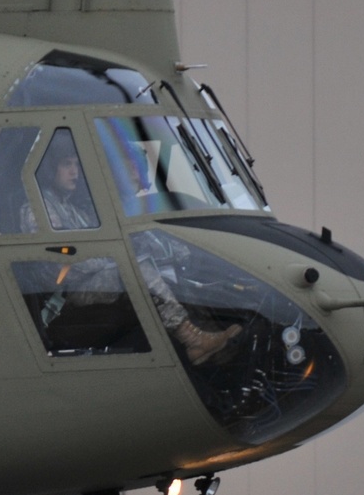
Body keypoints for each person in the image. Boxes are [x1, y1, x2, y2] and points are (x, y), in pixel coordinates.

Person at [21, 132, 240, 365]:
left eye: (76, 164)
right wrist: (111, 260)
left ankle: (209, 344)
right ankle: (191, 338)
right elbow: (58, 262)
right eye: (66, 165)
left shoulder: (73, 209)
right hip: (67, 294)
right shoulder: (37, 209)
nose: (74, 172)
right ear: (49, 169)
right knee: (133, 270)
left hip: (86, 282)